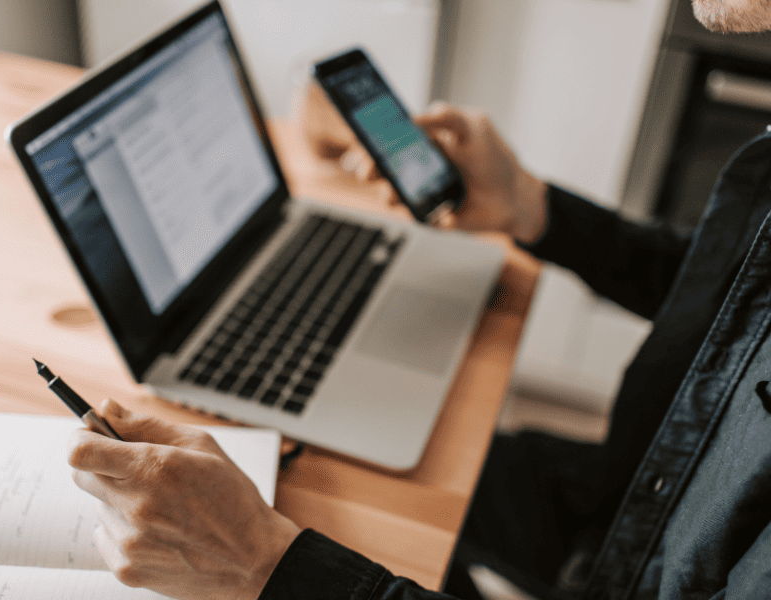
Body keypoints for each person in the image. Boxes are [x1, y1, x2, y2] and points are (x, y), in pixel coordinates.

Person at [67, 1, 771, 598]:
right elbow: (739, 293)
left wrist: (263, 566)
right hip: (634, 491)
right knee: (390, 480)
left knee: (354, 509)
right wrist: (535, 208)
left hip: (639, 566)